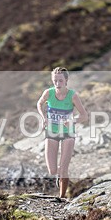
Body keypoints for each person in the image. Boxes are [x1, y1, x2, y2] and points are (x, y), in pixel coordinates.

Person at [37, 67, 88, 200]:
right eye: (55, 81)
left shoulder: (72, 95)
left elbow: (84, 115)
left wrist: (73, 120)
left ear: (66, 80)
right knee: (53, 170)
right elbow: (39, 103)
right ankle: (58, 177)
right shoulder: (48, 93)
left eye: (60, 80)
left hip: (68, 134)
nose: (58, 84)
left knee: (64, 168)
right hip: (52, 133)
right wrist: (44, 117)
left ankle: (61, 197)